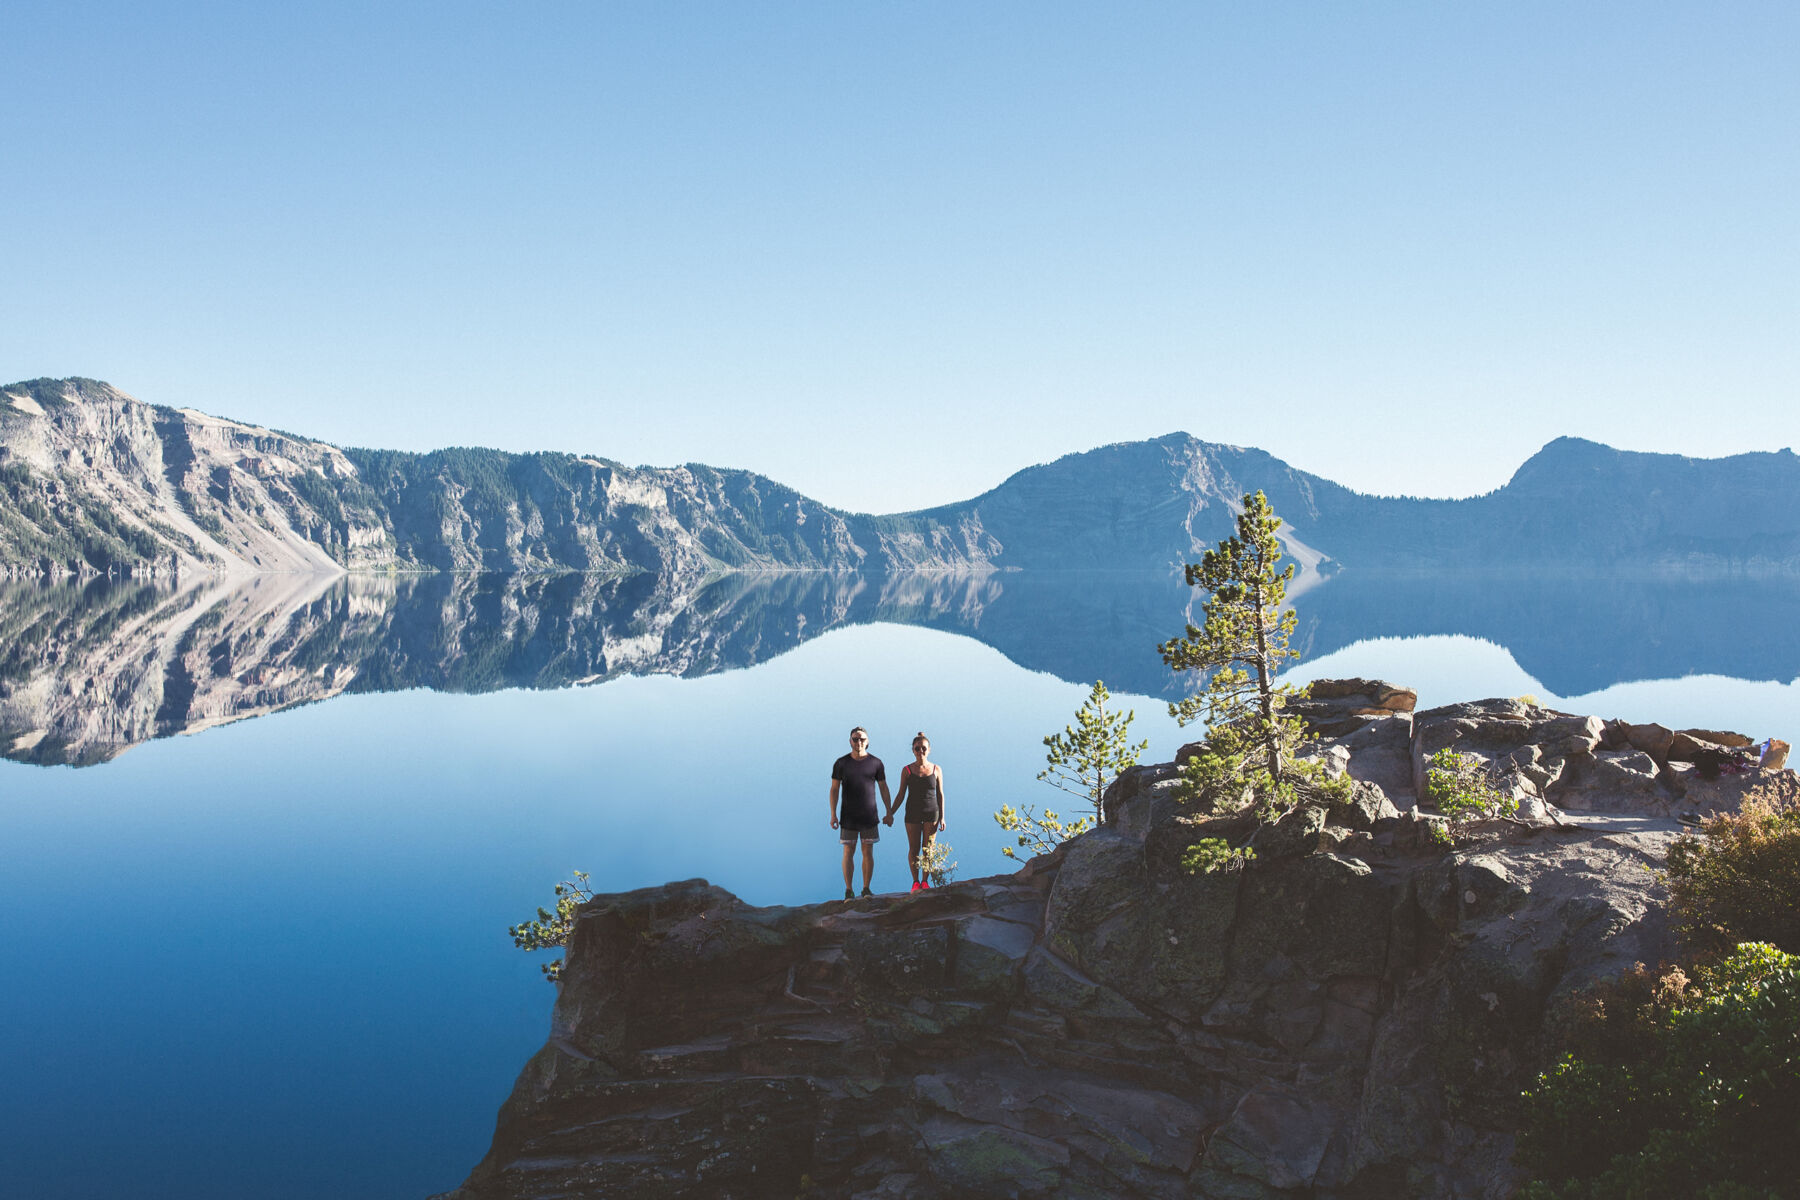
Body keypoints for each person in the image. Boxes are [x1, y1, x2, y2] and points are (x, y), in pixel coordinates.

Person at [829, 726, 891, 899]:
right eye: (855, 739)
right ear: (850, 741)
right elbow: (834, 789)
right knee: (848, 852)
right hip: (848, 816)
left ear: (868, 741)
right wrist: (833, 814)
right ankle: (849, 891)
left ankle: (866, 889)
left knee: (868, 852)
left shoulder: (876, 763)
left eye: (862, 739)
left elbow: (884, 788)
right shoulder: (841, 763)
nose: (859, 742)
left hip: (869, 816)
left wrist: (889, 811)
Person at [886, 731, 947, 892]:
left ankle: (925, 882)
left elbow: (940, 794)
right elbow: (900, 794)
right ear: (913, 750)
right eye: (917, 748)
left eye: (924, 748)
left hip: (931, 812)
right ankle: (915, 882)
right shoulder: (907, 770)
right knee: (914, 848)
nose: (921, 751)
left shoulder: (936, 769)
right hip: (912, 812)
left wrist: (942, 817)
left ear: (929, 749)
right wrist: (890, 812)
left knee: (928, 848)